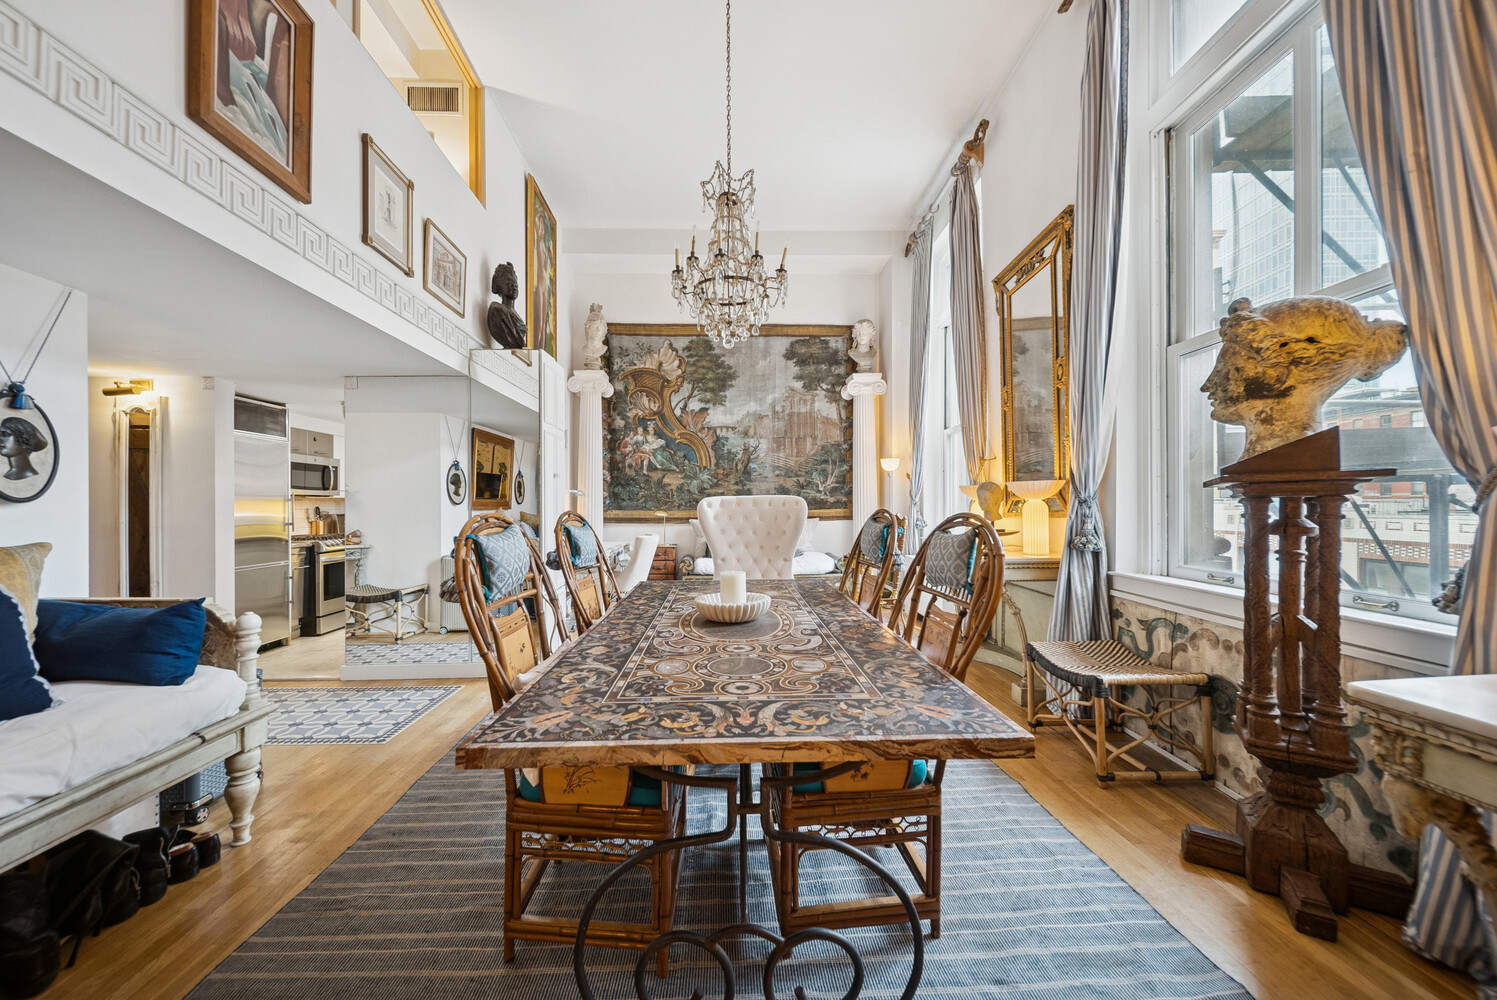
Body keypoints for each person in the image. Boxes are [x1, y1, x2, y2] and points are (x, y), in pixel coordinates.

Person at [0, 416, 48, 481]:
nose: (0, 439)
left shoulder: (31, 477)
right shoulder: (9, 475)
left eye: (5, 434)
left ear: (24, 440)